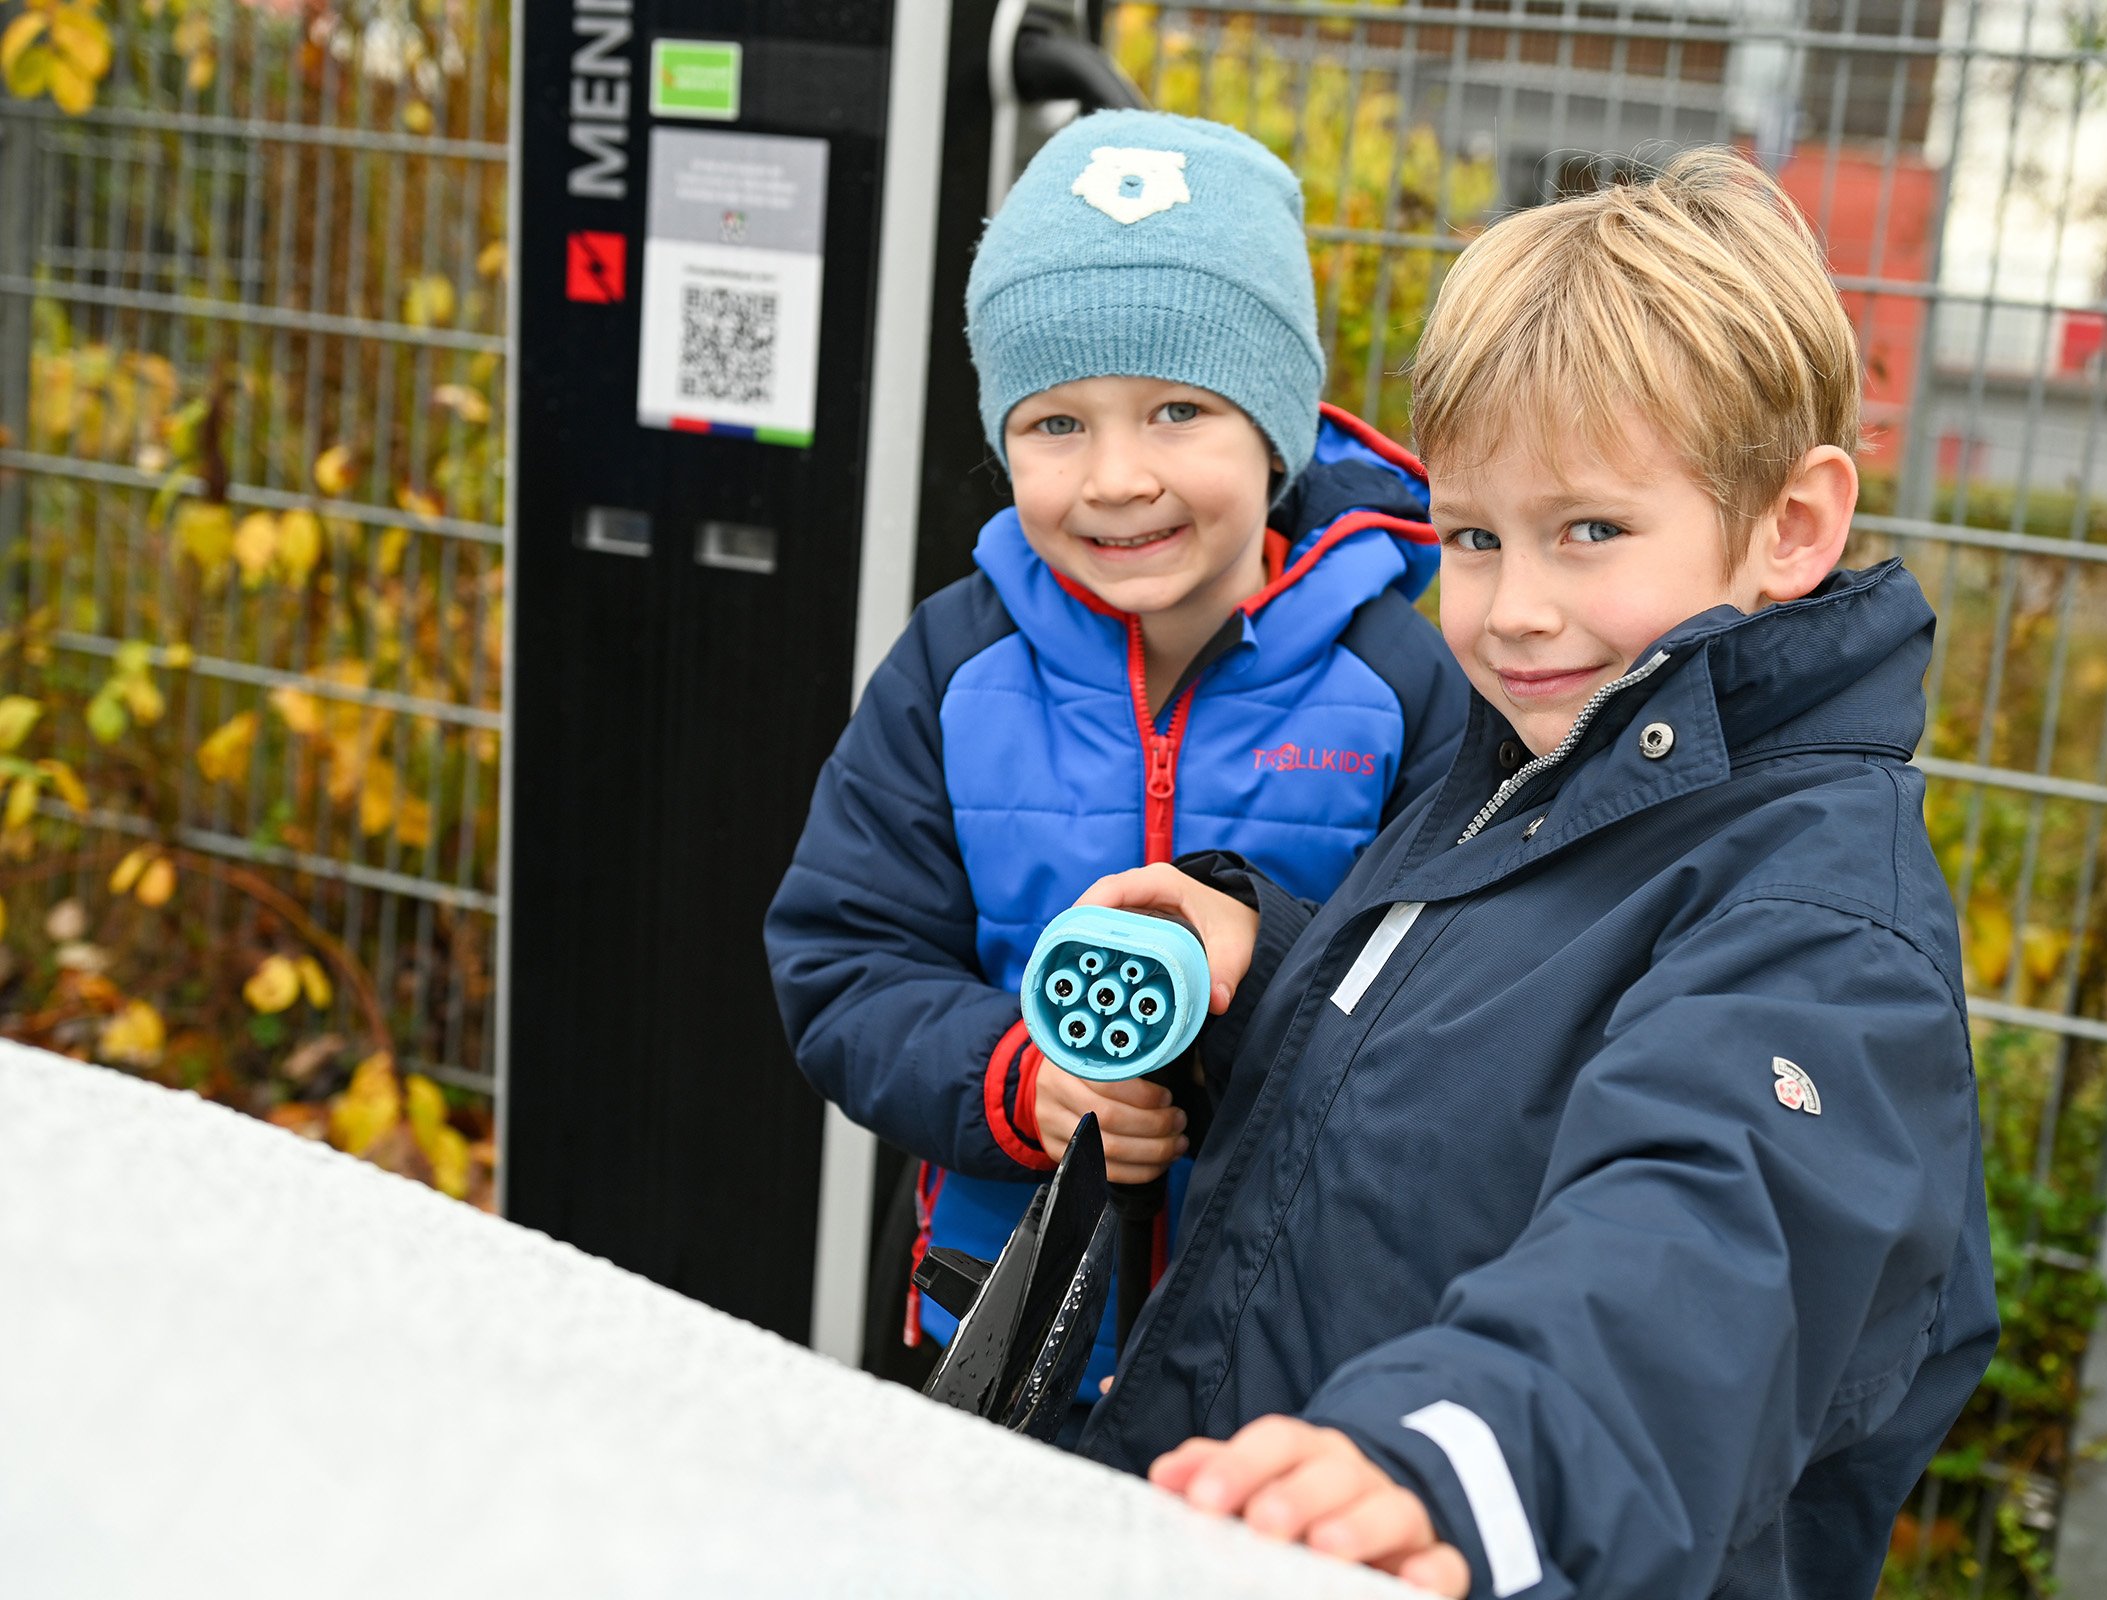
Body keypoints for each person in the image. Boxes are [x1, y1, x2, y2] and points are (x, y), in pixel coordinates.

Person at [1069, 147, 2000, 1599]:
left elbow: (1708, 1240)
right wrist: (1271, 979)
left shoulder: (1819, 922)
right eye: (1473, 538)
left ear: (1792, 526)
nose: (1515, 609)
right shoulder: (1544, 768)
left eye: (1591, 531)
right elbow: (1489, 1075)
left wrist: (1459, 1462)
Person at [763, 110, 1469, 1411]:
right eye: (1055, 425)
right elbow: (841, 958)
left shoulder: (1406, 685)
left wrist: (1261, 995)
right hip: (1006, 1327)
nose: (1118, 478)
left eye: (1179, 409)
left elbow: (1451, 1013)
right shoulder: (953, 667)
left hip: (1287, 1361)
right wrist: (1017, 1081)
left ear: (1277, 424)